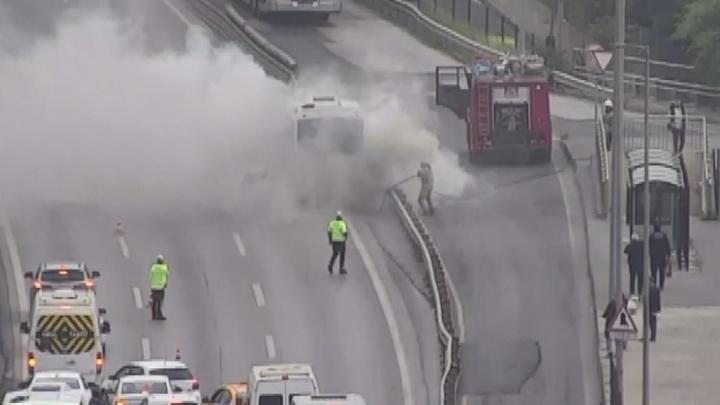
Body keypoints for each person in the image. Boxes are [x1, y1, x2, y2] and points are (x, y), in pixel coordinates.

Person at [649, 222, 671, 290]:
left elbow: (649, 246)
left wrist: (650, 254)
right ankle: (661, 285)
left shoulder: (651, 236)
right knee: (662, 272)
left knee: (654, 272)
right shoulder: (664, 235)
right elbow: (667, 245)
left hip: (654, 257)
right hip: (662, 256)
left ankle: (654, 284)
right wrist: (668, 254)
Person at [149, 254, 169, 320]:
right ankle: (159, 314)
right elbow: (167, 276)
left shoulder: (153, 267)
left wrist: (151, 285)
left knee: (154, 301)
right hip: (161, 286)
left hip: (154, 286)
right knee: (160, 301)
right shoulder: (164, 267)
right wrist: (166, 283)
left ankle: (153, 315)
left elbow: (150, 276)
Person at [648, 277, 662, 342]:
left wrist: (658, 309)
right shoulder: (656, 289)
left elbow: (658, 299)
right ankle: (652, 336)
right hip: (652, 308)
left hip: (652, 308)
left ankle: (653, 337)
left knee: (652, 323)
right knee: (651, 323)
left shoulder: (653, 289)